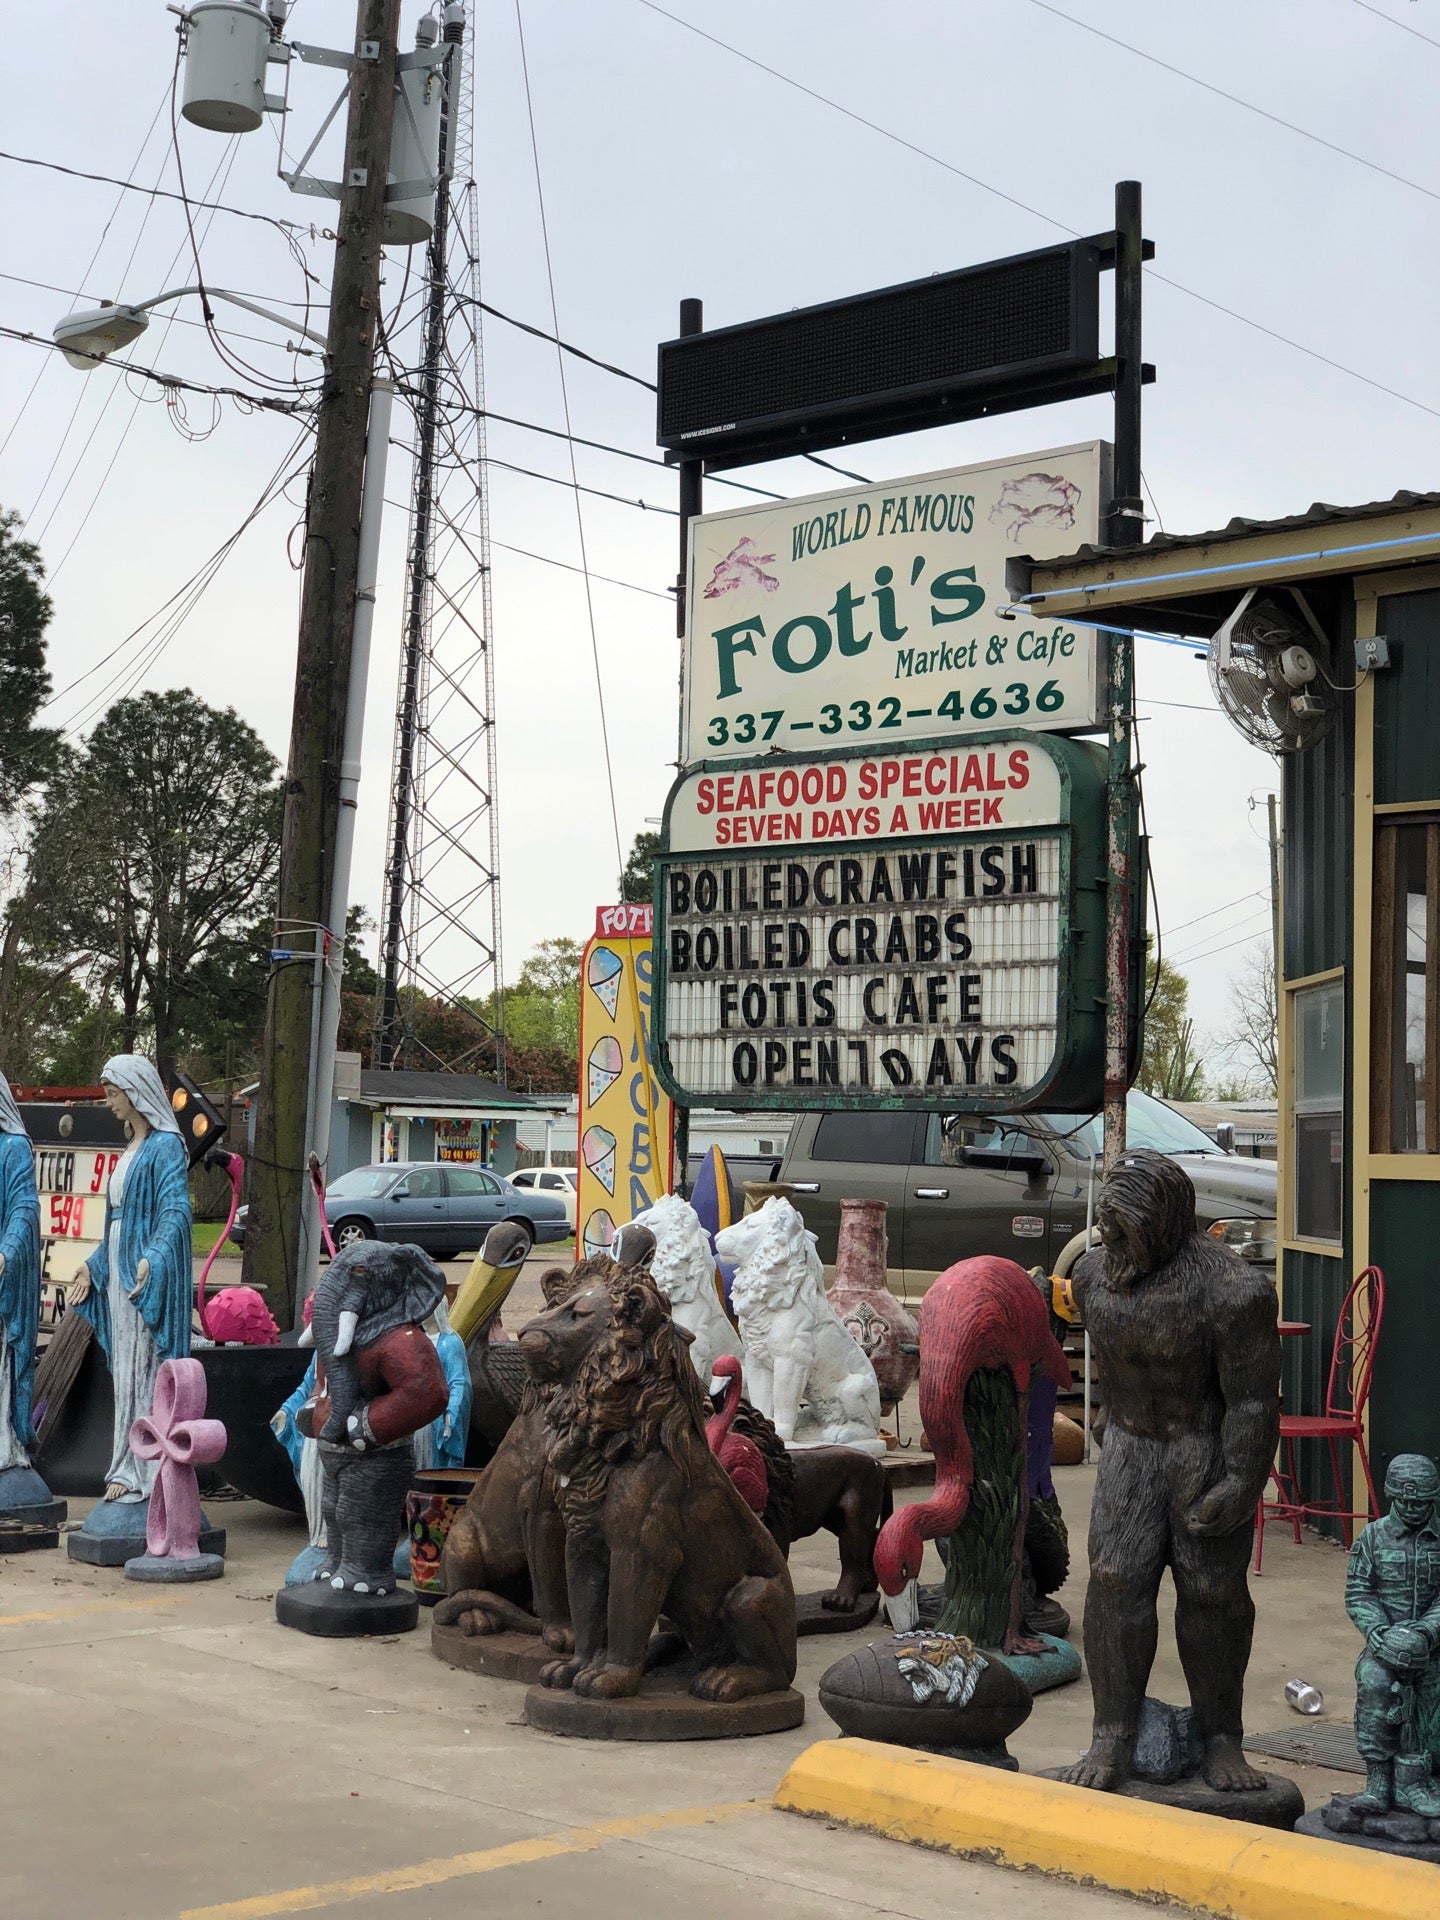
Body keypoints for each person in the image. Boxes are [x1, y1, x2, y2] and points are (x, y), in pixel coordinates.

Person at [1059, 1149, 1279, 1794]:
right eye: (1107, 1226)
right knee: (1114, 1581)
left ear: (1163, 1223)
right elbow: (1114, 1370)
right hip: (1130, 1448)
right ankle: (1112, 1735)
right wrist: (1102, 1421)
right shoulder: (1097, 1278)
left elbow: (1254, 1399)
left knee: (1211, 1594)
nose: (1109, 1240)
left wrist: (1241, 1479)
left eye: (1125, 1227)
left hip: (1203, 1448)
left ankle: (1221, 1739)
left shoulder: (1233, 1291)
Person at [68, 1056, 192, 1503]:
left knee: (144, 1367)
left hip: (142, 1278)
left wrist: (154, 1258)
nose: (109, 1102)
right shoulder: (130, 1150)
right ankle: (124, 1459)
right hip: (120, 1274)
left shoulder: (164, 1147)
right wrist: (93, 1264)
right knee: (124, 1370)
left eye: (114, 1093)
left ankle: (142, 1467)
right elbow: (115, 1224)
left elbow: (175, 1211)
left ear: (136, 1092)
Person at [1346, 1453, 1440, 1817]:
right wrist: (1379, 1633)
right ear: (1392, 1498)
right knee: (1374, 1685)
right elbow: (1358, 1591)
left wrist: (1427, 1632)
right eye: (1407, 1502)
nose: (1414, 1509)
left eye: (1422, 1503)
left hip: (1432, 1647)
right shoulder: (1372, 1538)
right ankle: (1378, 1783)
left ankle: (1421, 1780)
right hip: (1385, 1645)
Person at [0, 1073, 40, 1477]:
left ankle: (5, 1445)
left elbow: (25, 1208)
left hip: (3, 1275)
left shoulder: (14, 1148)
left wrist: (7, 1251)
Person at [415, 1295, 471, 1472]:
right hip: (417, 1418)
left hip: (438, 1418)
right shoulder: (418, 1340)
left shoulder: (450, 1343)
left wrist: (451, 1413)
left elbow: (458, 1381)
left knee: (437, 1463)